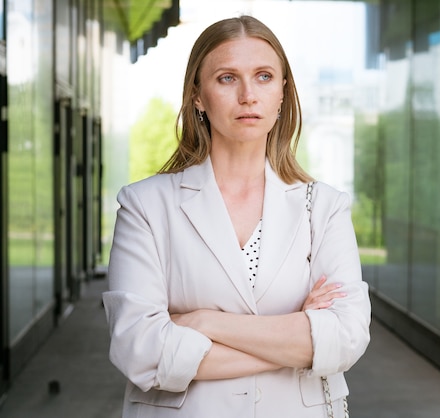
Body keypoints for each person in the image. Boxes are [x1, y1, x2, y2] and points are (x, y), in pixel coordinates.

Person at [102, 15, 371, 418]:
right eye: (227, 78)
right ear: (198, 95)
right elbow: (141, 350)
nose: (248, 95)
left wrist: (203, 322)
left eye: (264, 76)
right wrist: (298, 334)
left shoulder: (325, 207)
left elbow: (346, 338)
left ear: (282, 92)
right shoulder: (145, 206)